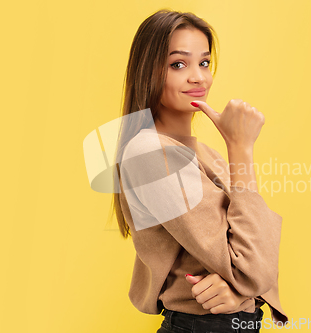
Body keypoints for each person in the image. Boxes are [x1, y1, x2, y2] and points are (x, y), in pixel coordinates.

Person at [110, 9, 288, 332]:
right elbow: (252, 268)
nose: (199, 77)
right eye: (179, 64)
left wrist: (239, 294)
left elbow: (259, 260)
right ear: (148, 71)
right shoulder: (147, 153)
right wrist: (242, 148)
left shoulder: (207, 154)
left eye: (204, 62)